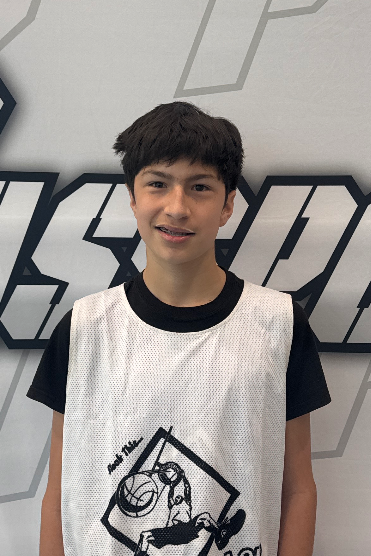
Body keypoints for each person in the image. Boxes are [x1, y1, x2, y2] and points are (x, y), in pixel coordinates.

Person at [27, 101, 331, 556]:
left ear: (228, 204)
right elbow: (60, 493)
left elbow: (298, 488)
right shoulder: (84, 328)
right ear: (132, 197)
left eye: (200, 187)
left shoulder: (279, 324)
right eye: (158, 183)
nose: (177, 207)